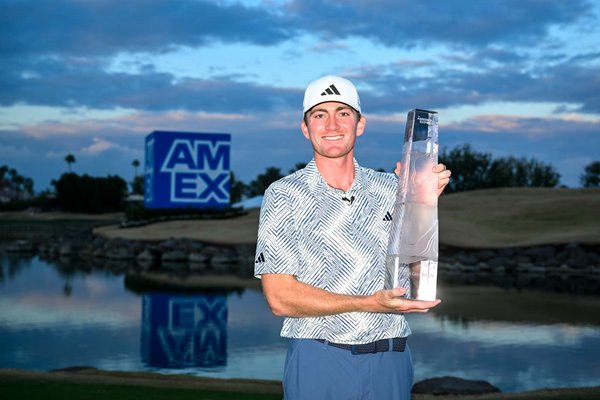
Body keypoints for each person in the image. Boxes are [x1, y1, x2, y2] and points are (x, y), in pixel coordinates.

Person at [254, 75, 451, 399]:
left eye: (343, 113)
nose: (332, 124)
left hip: (392, 358)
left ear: (360, 124)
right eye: (320, 114)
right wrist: (368, 304)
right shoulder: (284, 195)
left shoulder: (392, 189)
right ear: (305, 128)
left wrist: (421, 207)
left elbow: (415, 278)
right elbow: (279, 298)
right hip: (320, 359)